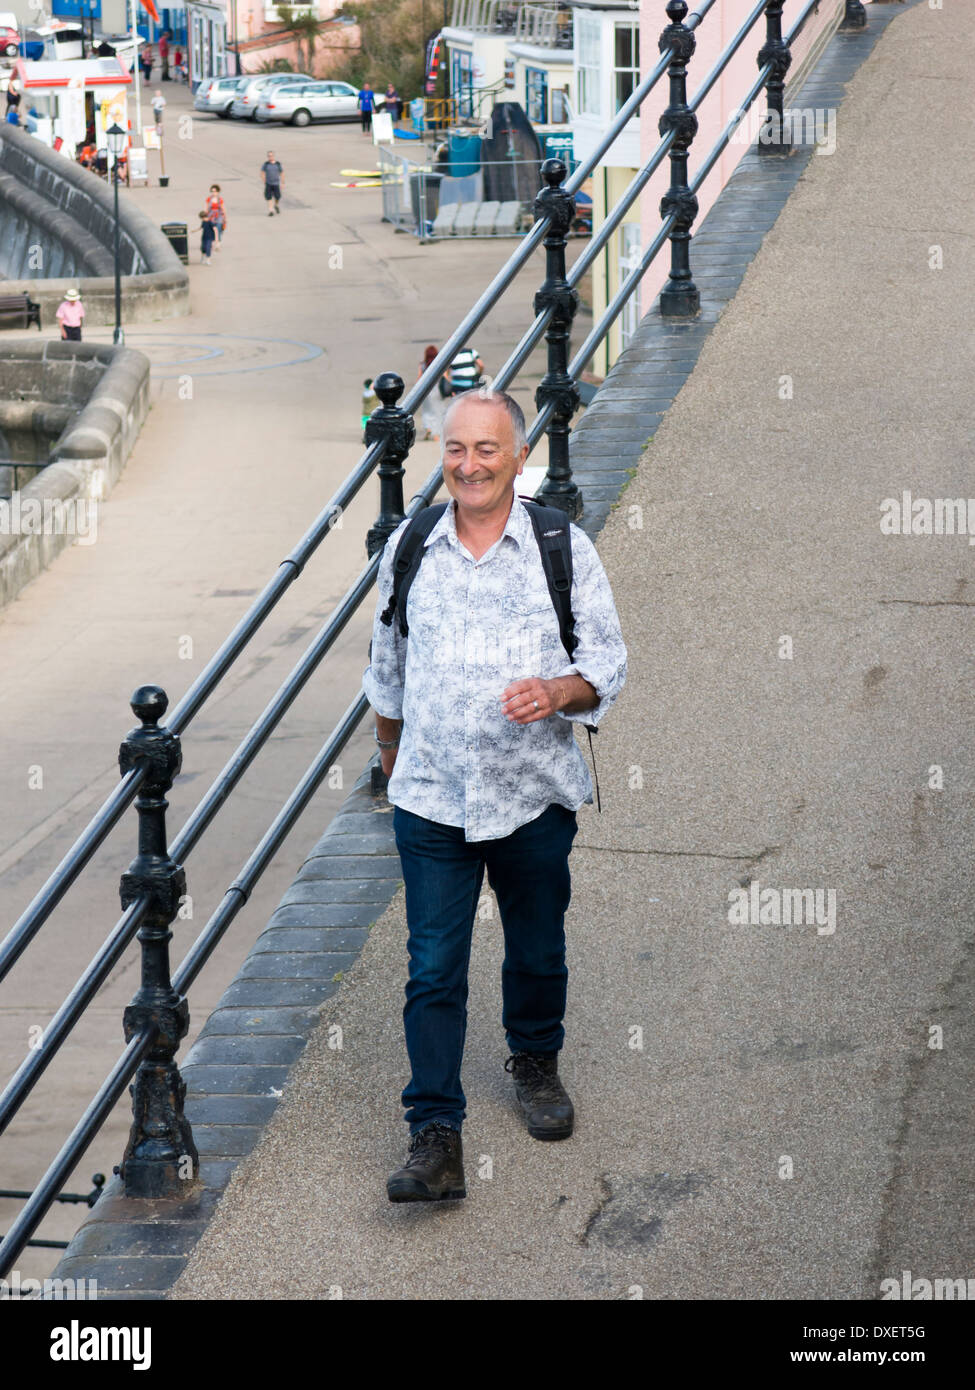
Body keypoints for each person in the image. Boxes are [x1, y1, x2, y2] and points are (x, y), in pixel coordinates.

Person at [363, 389, 627, 1202]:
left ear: (517, 456)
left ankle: (535, 1061)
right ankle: (434, 1134)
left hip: (532, 797)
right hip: (432, 801)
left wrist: (556, 692)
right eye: (454, 449)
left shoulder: (560, 547)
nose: (468, 465)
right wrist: (389, 759)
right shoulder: (411, 545)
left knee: (536, 948)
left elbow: (608, 666)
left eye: (485, 450)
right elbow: (387, 668)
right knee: (432, 969)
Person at [418, 345, 443, 441]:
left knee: (427, 411)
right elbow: (444, 376)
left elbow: (419, 378)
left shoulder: (422, 365)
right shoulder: (439, 364)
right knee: (437, 411)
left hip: (426, 391)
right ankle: (436, 434)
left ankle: (428, 428)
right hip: (437, 390)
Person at [205, 183, 227, 248]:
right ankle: (212, 241)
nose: (213, 193)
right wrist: (205, 216)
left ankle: (218, 242)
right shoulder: (209, 199)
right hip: (211, 216)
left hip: (219, 216)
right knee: (211, 229)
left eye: (215, 191)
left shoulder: (220, 200)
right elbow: (206, 208)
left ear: (218, 191)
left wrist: (225, 217)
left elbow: (223, 208)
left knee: (219, 228)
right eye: (212, 191)